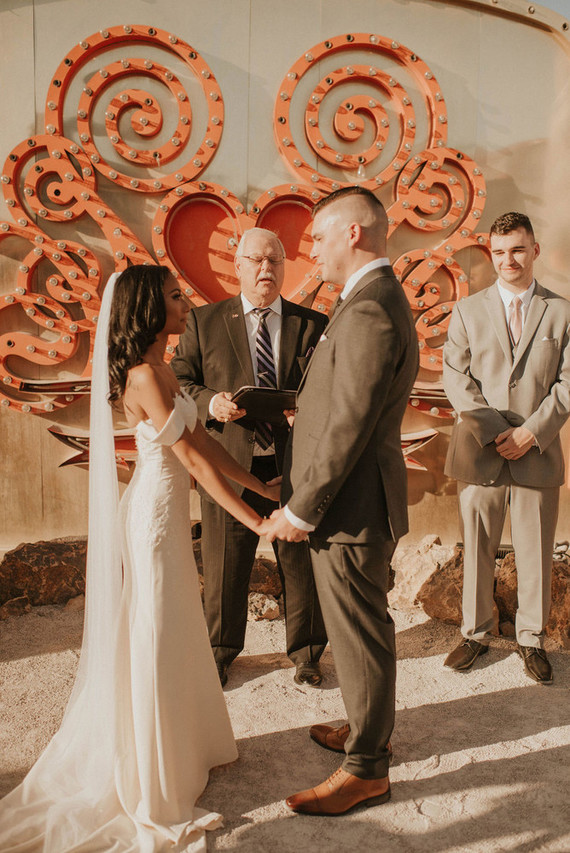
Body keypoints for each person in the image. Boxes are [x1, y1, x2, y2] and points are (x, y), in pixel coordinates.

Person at [0, 264, 279, 852]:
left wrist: (262, 488)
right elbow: (195, 464)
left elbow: (203, 444)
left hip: (168, 511)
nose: (187, 304)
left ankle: (185, 748)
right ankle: (152, 776)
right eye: (177, 297)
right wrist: (258, 522)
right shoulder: (144, 379)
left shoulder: (163, 370)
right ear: (150, 309)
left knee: (173, 626)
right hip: (153, 516)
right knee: (154, 630)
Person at [266, 187, 419, 815]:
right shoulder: (366, 301)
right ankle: (365, 734)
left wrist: (302, 510)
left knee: (359, 634)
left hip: (349, 508)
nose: (313, 249)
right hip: (350, 503)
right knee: (360, 630)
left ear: (353, 233)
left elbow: (351, 423)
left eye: (319, 237)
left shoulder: (368, 311)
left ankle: (366, 770)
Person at [172, 227, 327, 688]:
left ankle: (307, 654)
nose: (266, 269)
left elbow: (327, 384)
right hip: (229, 460)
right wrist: (210, 404)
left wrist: (309, 410)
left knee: (301, 563)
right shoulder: (204, 321)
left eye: (275, 261)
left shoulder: (311, 324)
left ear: (284, 267)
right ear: (236, 266)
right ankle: (219, 652)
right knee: (223, 562)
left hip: (291, 464)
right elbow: (179, 379)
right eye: (256, 261)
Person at [442, 212, 570, 683]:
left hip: (538, 448)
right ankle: (475, 633)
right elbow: (456, 377)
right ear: (490, 253)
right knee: (477, 544)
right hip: (480, 448)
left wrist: (530, 433)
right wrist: (497, 430)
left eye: (517, 249)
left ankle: (532, 640)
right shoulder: (466, 310)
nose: (507, 260)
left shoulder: (562, 311)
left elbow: (568, 383)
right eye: (498, 252)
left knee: (535, 547)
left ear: (534, 250)